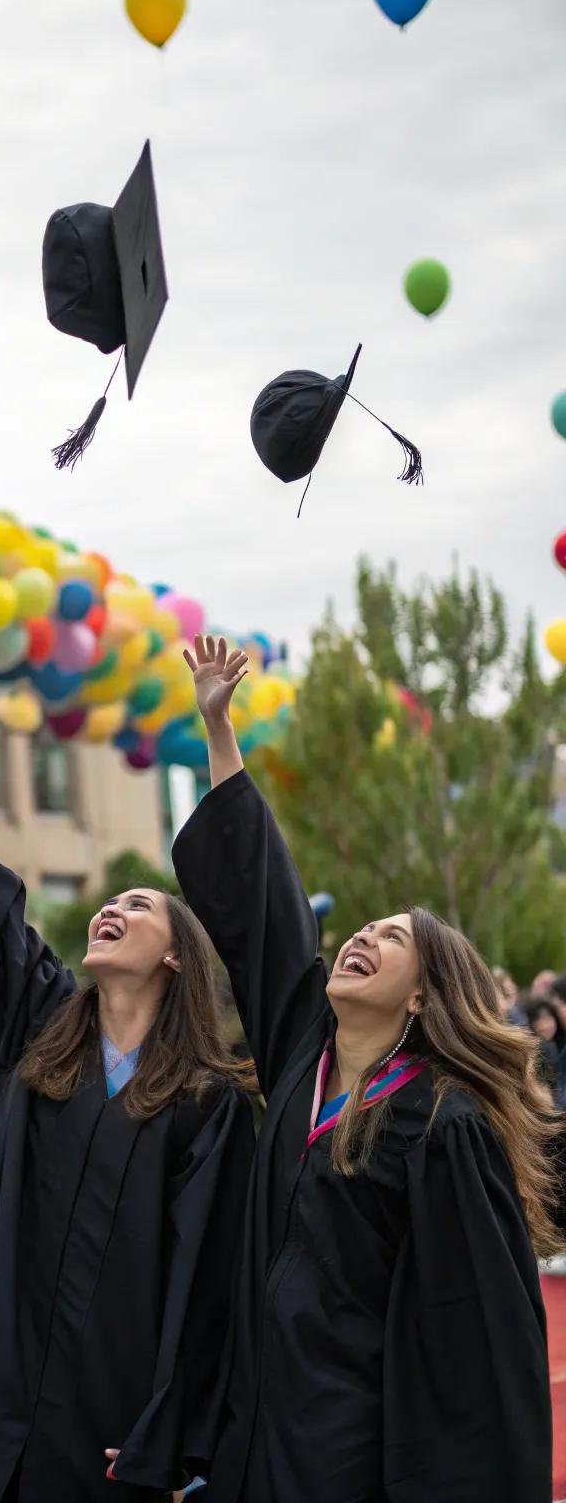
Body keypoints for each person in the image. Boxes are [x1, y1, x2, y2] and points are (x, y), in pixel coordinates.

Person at [0, 639, 257, 1503]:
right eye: (113, 900)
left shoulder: (204, 1104)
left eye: (138, 905)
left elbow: (206, 1285)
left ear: (179, 959)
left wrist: (170, 1436)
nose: (112, 907)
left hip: (113, 1419)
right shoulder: (43, 1025)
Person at [171, 636, 561, 1503]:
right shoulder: (301, 1052)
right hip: (259, 1434)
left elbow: (479, 1342)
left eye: (392, 938)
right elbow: (266, 908)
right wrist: (218, 728)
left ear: (425, 995)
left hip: (357, 1448)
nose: (362, 936)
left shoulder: (444, 1125)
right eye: (363, 927)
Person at [527, 999, 566, 1107]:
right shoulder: (541, 1048)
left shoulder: (555, 1044)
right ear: (532, 1024)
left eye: (548, 1019)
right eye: (540, 1021)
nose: (545, 1026)